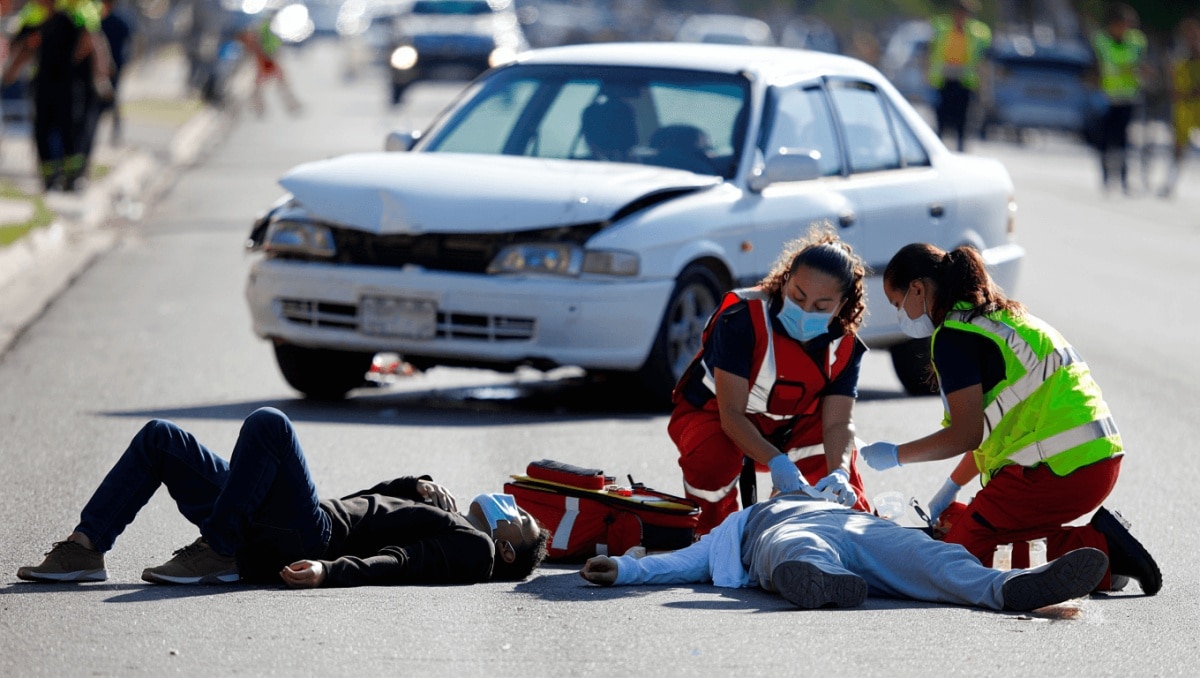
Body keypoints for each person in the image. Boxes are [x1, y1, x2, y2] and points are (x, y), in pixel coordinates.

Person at [858, 243, 1161, 596]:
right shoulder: (997, 318)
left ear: (918, 289)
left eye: (897, 305)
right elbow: (993, 430)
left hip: (1058, 471)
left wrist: (896, 455)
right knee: (988, 536)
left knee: (951, 561)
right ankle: (1104, 563)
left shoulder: (954, 337)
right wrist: (949, 490)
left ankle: (1102, 548)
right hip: (1094, 460)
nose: (901, 315)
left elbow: (965, 435)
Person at [17, 407, 550, 587]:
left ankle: (219, 549)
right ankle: (85, 548)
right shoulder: (450, 518)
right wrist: (413, 485)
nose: (513, 506)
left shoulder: (476, 550)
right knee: (162, 439)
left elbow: (401, 562)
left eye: (520, 518)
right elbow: (368, 505)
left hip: (306, 536)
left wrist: (329, 570)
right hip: (284, 520)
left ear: (507, 549)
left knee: (270, 425)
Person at [579, 491, 1109, 612]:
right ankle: (818, 580)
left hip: (861, 528)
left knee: (932, 556)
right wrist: (624, 567)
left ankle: (1010, 588)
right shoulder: (741, 523)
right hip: (783, 536)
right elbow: (679, 563)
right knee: (797, 548)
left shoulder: (836, 495)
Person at [669, 226, 873, 537]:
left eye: (821, 307)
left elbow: (838, 424)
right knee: (712, 459)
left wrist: (840, 472)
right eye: (797, 296)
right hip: (714, 417)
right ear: (786, 279)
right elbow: (731, 415)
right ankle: (710, 534)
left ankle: (806, 533)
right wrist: (777, 462)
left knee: (840, 493)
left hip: (789, 427)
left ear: (842, 305)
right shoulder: (742, 317)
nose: (805, 310)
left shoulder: (844, 345)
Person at [2, 0, 110, 191]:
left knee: (70, 130)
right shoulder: (35, 15)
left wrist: (100, 78)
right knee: (42, 130)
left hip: (70, 84)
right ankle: (50, 178)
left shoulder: (76, 14)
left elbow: (93, 42)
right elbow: (24, 46)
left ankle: (72, 177)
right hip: (44, 83)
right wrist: (10, 73)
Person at [1092, 4, 1147, 194]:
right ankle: (1106, 176)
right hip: (1106, 98)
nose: (1126, 28)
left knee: (1124, 139)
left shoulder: (1137, 41)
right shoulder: (1101, 41)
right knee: (1105, 139)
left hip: (1128, 97)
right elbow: (1096, 66)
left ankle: (1124, 178)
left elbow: (1143, 64)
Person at [927, 0, 991, 152]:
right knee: (942, 118)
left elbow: (983, 59)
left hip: (965, 81)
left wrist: (984, 84)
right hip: (944, 79)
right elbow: (930, 51)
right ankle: (939, 149)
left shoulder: (978, 33)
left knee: (962, 120)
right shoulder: (942, 28)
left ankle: (960, 149)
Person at [1159, 17, 1200, 198]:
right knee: (1178, 147)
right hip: (1183, 109)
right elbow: (1173, 84)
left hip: (1195, 106)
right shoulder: (1180, 59)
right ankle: (1170, 183)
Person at [241, 14, 300, 116]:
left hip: (267, 58)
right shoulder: (264, 26)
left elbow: (271, 42)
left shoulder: (263, 26)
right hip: (266, 59)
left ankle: (260, 106)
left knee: (275, 83)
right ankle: (260, 106)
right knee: (273, 84)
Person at [96, 0, 133, 145]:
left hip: (114, 68)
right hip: (102, 69)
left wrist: (126, 63)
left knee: (113, 100)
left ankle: (116, 134)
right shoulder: (97, 20)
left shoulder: (118, 22)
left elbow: (132, 43)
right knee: (98, 103)